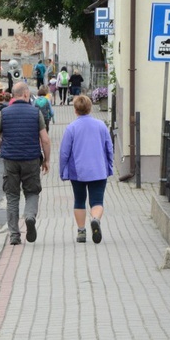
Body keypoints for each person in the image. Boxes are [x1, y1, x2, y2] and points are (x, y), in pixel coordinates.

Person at [0, 82, 51, 245]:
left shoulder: (4, 113)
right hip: (31, 159)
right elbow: (45, 139)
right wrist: (47, 159)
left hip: (10, 160)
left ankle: (14, 235)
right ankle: (30, 217)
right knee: (32, 192)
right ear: (25, 94)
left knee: (12, 196)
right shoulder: (35, 113)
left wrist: (4, 147)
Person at [59, 94, 114, 244]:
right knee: (97, 201)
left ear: (75, 110)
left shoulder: (71, 128)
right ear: (90, 108)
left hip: (78, 172)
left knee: (79, 200)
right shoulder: (101, 126)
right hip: (98, 169)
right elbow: (109, 148)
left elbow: (64, 152)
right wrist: (109, 166)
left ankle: (81, 232)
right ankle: (95, 219)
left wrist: (62, 170)